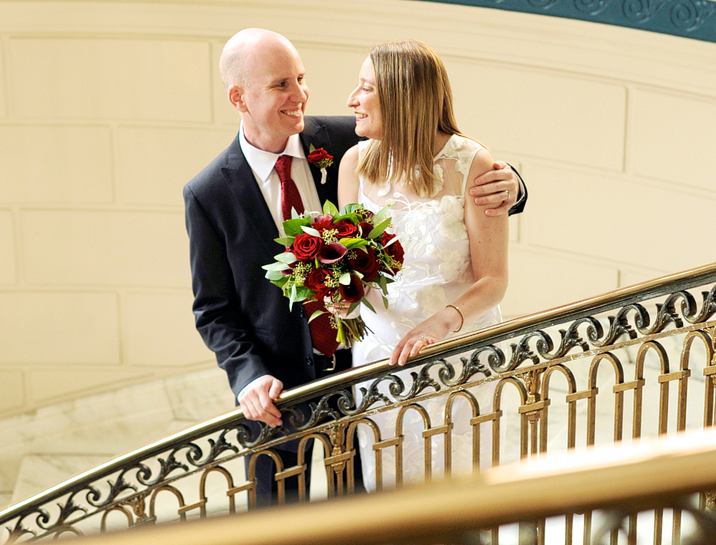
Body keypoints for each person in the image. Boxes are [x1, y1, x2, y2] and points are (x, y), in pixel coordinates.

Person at [184, 28, 525, 508]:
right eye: (283, 84)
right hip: (284, 385)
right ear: (239, 97)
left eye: (300, 78)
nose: (302, 95)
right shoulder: (209, 194)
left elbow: (439, 152)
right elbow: (214, 309)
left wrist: (512, 183)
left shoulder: (349, 140)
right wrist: (248, 377)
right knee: (279, 534)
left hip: (373, 366)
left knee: (380, 523)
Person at [338, 40, 509, 492]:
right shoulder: (354, 163)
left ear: (398, 96)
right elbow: (352, 266)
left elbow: (494, 280)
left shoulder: (472, 163)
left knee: (461, 500)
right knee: (393, 499)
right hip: (381, 358)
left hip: (458, 353)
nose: (351, 100)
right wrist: (342, 298)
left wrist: (443, 321)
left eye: (365, 88)